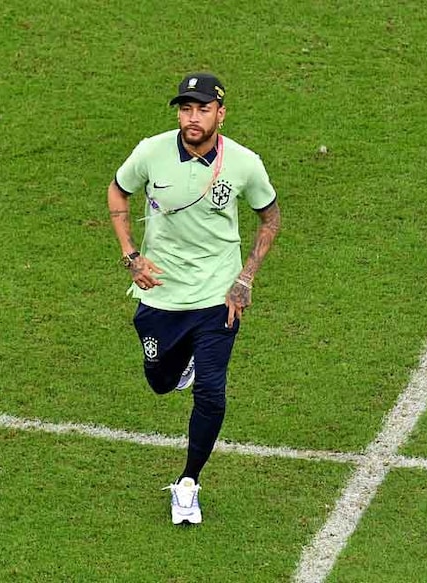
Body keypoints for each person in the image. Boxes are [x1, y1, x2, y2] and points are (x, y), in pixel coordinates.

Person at [106, 72, 281, 525]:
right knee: (160, 380)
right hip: (160, 292)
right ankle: (178, 366)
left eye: (203, 109)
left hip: (216, 296)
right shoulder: (151, 151)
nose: (193, 118)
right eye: (187, 109)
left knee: (212, 391)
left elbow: (270, 219)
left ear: (221, 114)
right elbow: (118, 190)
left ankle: (188, 483)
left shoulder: (244, 163)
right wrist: (131, 255)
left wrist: (245, 278)